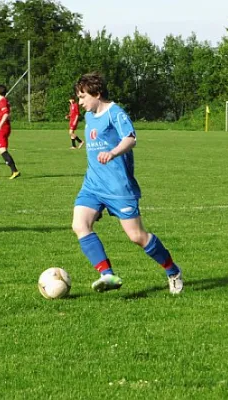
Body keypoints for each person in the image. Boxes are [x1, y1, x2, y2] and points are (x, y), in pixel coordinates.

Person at [71, 72, 183, 294]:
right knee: (79, 225)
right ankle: (107, 274)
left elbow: (131, 138)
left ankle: (173, 271)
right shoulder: (89, 116)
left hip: (118, 188)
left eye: (83, 97)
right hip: (93, 185)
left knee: (137, 236)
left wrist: (112, 153)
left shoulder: (115, 113)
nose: (80, 102)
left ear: (97, 93)